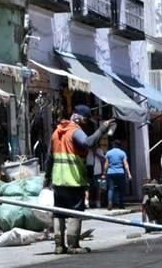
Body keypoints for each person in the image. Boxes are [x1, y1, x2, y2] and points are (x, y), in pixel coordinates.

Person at [46, 104, 115, 254]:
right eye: (86, 121)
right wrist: (102, 129)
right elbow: (88, 142)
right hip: (73, 179)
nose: (86, 125)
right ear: (80, 119)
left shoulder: (56, 132)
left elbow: (49, 158)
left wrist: (47, 178)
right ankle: (73, 245)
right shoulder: (75, 131)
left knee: (59, 212)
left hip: (58, 180)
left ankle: (59, 246)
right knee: (75, 212)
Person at [105, 139, 132, 209]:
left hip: (110, 172)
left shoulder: (108, 153)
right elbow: (126, 164)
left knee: (110, 189)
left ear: (113, 145)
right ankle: (121, 204)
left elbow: (106, 164)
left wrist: (104, 172)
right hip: (120, 172)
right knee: (121, 189)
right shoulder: (122, 153)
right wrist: (129, 173)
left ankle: (110, 203)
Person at [86, 143, 106, 209]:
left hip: (97, 171)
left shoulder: (99, 150)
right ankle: (89, 201)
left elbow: (103, 159)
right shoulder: (87, 150)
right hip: (89, 170)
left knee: (98, 187)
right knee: (89, 187)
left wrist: (96, 153)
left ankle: (98, 201)